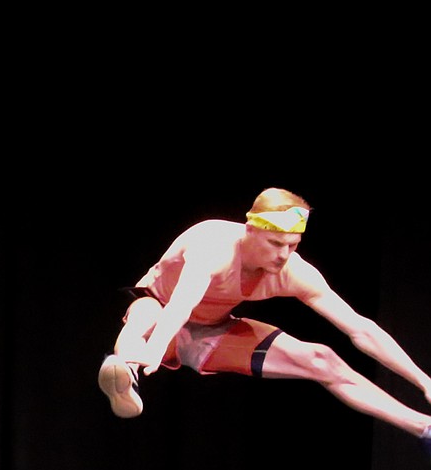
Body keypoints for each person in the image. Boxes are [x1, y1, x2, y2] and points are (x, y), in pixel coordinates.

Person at [97, 188, 431, 451]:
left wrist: (423, 380)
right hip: (160, 312)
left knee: (322, 359)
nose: (284, 255)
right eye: (275, 243)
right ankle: (124, 373)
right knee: (145, 315)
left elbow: (361, 329)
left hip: (214, 331)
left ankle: (423, 428)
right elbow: (181, 303)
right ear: (250, 230)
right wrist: (155, 347)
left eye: (293, 245)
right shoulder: (212, 245)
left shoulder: (293, 271)